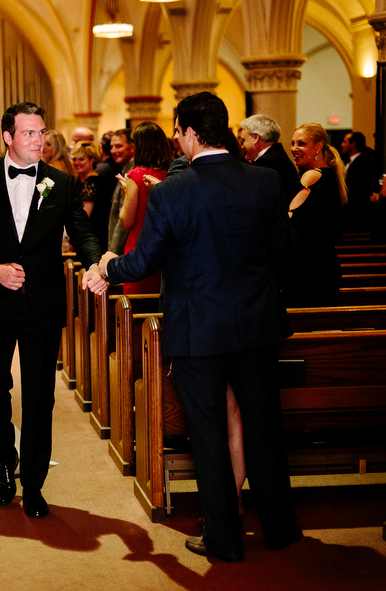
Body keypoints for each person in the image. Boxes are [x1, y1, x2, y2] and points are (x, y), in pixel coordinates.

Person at [99, 92, 299, 562]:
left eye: (176, 131)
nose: (175, 139)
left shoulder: (172, 191)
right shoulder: (266, 182)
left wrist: (108, 267)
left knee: (207, 435)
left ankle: (224, 539)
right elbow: (287, 256)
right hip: (256, 326)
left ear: (190, 132)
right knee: (265, 427)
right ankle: (281, 529)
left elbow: (144, 261)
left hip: (198, 330)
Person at [0, 102, 107, 518]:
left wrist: (94, 263)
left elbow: (83, 232)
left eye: (41, 133)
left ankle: (34, 485)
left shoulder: (62, 183)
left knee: (39, 397)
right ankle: (4, 456)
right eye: (29, 134)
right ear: (8, 137)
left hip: (43, 304)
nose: (39, 141)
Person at [287, 123, 347, 307]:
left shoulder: (312, 176)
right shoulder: (329, 174)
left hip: (310, 270)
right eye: (293, 143)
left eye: (301, 143)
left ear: (318, 146)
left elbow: (289, 219)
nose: (294, 149)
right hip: (323, 265)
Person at [117, 121, 172, 294]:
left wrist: (127, 193)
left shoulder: (136, 175)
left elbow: (126, 220)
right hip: (166, 248)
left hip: (139, 246)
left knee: (136, 308)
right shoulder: (172, 172)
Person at [239, 114, 302, 201]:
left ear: (255, 138)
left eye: (243, 140)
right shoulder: (277, 157)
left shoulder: (265, 163)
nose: (242, 146)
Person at [340, 131, 377, 233]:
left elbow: (356, 189)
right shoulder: (348, 161)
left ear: (353, 145)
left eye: (344, 142)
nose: (341, 144)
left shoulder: (362, 163)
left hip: (356, 211)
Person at [106, 128, 135, 254]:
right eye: (112, 147)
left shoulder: (132, 173)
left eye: (118, 146)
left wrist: (113, 252)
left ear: (132, 147)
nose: (113, 151)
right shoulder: (125, 171)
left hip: (125, 251)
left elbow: (123, 220)